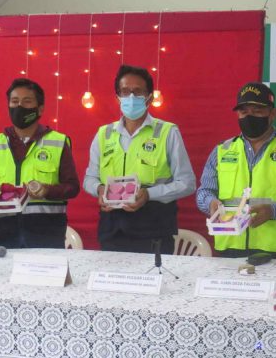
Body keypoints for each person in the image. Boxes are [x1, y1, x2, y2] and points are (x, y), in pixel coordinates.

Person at [196, 81, 276, 260]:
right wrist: (210, 203)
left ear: (273, 113)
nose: (249, 117)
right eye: (244, 112)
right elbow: (204, 191)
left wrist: (273, 211)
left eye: (257, 111)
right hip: (229, 248)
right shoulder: (222, 150)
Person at [83, 65, 196, 253]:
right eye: (125, 92)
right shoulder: (105, 133)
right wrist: (99, 189)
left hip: (154, 230)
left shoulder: (167, 132)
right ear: (117, 97)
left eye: (138, 92)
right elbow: (89, 179)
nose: (131, 97)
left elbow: (188, 183)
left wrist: (149, 194)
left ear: (149, 97)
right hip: (112, 231)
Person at [0, 78, 80, 249]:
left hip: (47, 234)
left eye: (27, 101)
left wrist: (46, 190)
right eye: (14, 101)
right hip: (4, 234)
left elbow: (72, 187)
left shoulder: (58, 141)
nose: (19, 106)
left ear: (40, 109)